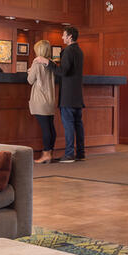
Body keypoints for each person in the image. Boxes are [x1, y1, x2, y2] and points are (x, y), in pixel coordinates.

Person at [33, 25, 84, 163]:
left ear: (70, 37)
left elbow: (62, 71)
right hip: (77, 94)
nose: (62, 37)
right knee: (78, 124)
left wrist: (47, 62)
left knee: (69, 125)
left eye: (64, 35)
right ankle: (80, 153)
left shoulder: (68, 51)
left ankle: (69, 154)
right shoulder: (79, 51)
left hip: (68, 95)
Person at [27, 40, 57, 163]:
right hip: (50, 99)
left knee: (45, 129)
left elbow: (30, 80)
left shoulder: (37, 63)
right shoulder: (52, 63)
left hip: (40, 99)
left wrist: (30, 71)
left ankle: (46, 154)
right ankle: (50, 152)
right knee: (50, 127)